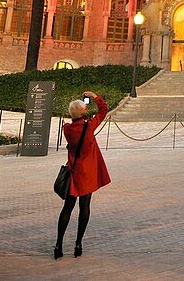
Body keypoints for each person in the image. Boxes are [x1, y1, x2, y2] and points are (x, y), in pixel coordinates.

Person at [55, 91, 110, 259]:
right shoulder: (89, 126)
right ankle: (78, 243)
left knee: (67, 208)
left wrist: (81, 112)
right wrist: (94, 96)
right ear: (83, 112)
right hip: (87, 174)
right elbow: (103, 110)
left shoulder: (67, 129)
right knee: (84, 207)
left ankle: (58, 244)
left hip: (73, 172)